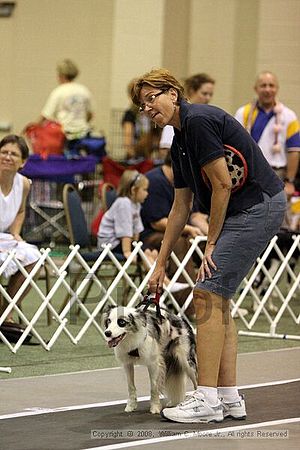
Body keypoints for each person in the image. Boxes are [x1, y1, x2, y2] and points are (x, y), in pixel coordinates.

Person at [131, 68, 286, 423]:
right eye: (143, 105)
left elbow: (222, 185)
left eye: (152, 98)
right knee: (219, 301)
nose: (149, 108)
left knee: (205, 295)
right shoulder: (179, 137)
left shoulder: (198, 121)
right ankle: (229, 398)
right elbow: (180, 205)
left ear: (173, 92)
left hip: (258, 204)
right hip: (245, 207)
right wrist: (160, 264)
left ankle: (207, 399)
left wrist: (210, 242)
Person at [97, 170, 188, 293]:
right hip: (110, 245)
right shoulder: (123, 204)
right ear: (133, 190)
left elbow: (136, 231)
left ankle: (159, 286)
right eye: (144, 190)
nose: (147, 193)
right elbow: (125, 232)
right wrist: (128, 252)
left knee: (152, 252)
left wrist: (139, 247)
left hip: (123, 242)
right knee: (145, 254)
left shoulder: (136, 205)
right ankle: (165, 283)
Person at [159, 73, 215, 232]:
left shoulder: (203, 118)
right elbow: (165, 151)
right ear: (192, 91)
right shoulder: (175, 117)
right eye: (204, 94)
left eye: (210, 94)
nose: (208, 98)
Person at [235, 71, 300, 196]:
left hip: (278, 175)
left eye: (271, 85)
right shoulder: (242, 113)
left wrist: (290, 181)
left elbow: (294, 150)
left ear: (277, 88)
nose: (267, 89)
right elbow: (236, 147)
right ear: (256, 89)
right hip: (249, 175)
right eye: (263, 85)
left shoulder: (289, 115)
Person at [0, 135, 41, 323]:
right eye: (3, 152)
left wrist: (15, 233)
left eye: (13, 154)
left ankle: (6, 311)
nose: (7, 157)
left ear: (22, 162)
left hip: (5, 237)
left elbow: (21, 211)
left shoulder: (23, 183)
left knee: (34, 258)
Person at [38, 58, 94, 155]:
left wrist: (36, 127)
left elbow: (46, 115)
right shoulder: (84, 90)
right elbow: (90, 114)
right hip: (83, 133)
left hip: (64, 134)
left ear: (61, 75)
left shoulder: (59, 91)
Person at [122, 79, 161, 160]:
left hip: (151, 152)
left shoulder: (150, 111)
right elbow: (128, 136)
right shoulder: (130, 114)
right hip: (137, 153)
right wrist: (131, 153)